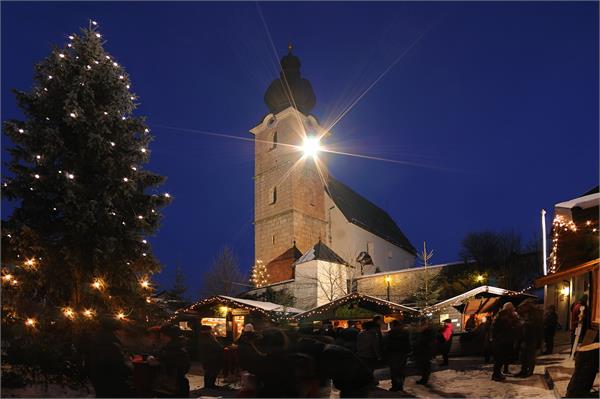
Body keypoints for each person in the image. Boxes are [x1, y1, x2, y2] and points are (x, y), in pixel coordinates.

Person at [86, 318, 133, 398]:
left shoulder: (98, 338)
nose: (122, 333)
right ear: (114, 330)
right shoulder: (110, 342)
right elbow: (115, 363)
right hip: (110, 379)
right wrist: (129, 371)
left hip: (99, 377)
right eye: (120, 330)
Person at [150, 324, 191, 398]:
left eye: (161, 335)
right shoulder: (173, 347)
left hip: (171, 388)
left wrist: (159, 362)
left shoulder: (173, 349)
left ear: (166, 336)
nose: (160, 337)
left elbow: (181, 368)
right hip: (175, 386)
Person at [491, 302, 520, 381]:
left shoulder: (502, 315)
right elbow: (505, 327)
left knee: (501, 358)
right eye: (511, 309)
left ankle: (498, 373)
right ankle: (496, 375)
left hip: (502, 340)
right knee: (499, 359)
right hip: (501, 341)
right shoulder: (503, 316)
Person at [515, 301, 543, 378]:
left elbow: (536, 325)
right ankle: (523, 370)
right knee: (523, 355)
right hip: (525, 338)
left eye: (522, 308)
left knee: (530, 356)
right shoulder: (527, 313)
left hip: (532, 338)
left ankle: (529, 371)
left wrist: (524, 323)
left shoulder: (535, 314)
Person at [384, 319, 410, 392]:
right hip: (402, 353)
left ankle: (395, 386)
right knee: (401, 370)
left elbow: (386, 344)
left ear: (393, 325)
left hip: (393, 354)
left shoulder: (390, 333)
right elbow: (408, 343)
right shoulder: (405, 333)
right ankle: (400, 385)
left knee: (394, 370)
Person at [197, 325, 224, 389]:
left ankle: (208, 385)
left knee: (208, 371)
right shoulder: (209, 338)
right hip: (212, 357)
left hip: (206, 357)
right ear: (208, 330)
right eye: (210, 330)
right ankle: (210, 385)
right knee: (212, 371)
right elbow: (217, 346)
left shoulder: (202, 337)